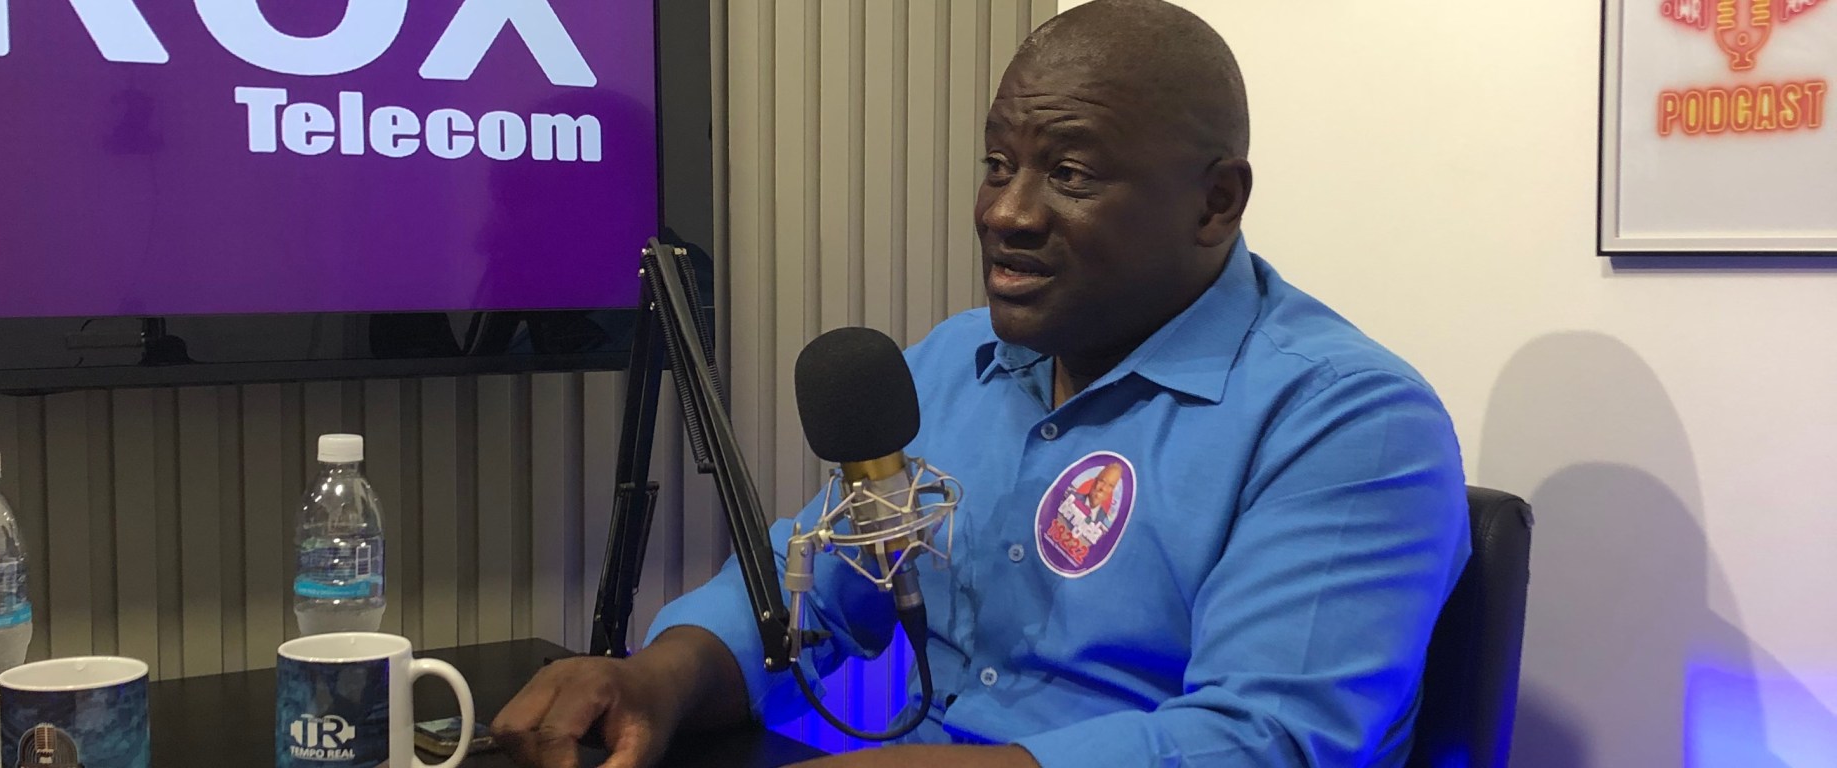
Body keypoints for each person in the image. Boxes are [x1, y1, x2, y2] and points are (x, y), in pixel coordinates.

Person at [493, 1, 1469, 766]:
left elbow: (1272, 741)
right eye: (999, 164)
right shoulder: (956, 363)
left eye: (1070, 174)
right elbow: (813, 590)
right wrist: (660, 677)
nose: (1007, 212)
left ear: (1216, 202)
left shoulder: (1347, 420)